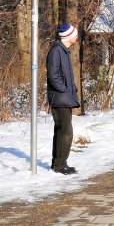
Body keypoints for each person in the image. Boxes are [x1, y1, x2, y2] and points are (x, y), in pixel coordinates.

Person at [46, 23, 81, 174]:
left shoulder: (63, 51)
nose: (77, 37)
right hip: (60, 97)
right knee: (65, 131)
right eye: (75, 34)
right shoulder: (56, 51)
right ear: (68, 36)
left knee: (62, 130)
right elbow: (53, 75)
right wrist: (64, 89)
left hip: (64, 96)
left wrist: (71, 88)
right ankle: (60, 165)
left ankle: (58, 163)